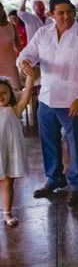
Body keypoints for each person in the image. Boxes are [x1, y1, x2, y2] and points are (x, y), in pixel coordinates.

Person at [16, 0, 78, 206]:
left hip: (72, 101)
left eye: (69, 12)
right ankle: (54, 179)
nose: (66, 16)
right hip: (46, 99)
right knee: (48, 142)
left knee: (76, 144)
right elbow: (27, 53)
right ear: (51, 14)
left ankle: (77, 186)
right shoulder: (43, 34)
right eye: (60, 13)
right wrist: (25, 63)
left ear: (74, 11)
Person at [0, 74, 34, 227]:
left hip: (8, 154)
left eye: (4, 93)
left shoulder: (14, 110)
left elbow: (26, 96)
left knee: (7, 183)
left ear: (10, 94)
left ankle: (7, 213)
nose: (0, 96)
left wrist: (30, 78)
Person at [0, 2, 22, 91]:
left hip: (11, 62)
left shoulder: (11, 25)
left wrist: (24, 60)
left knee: (15, 89)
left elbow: (18, 45)